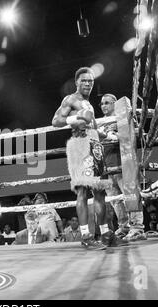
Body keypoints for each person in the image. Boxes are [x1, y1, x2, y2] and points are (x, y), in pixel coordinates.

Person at [51, 67, 118, 250]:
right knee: (82, 191)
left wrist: (109, 136)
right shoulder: (71, 99)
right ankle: (86, 236)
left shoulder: (88, 104)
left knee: (99, 192)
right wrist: (76, 118)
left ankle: (105, 233)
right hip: (80, 146)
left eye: (90, 81)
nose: (88, 84)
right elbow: (56, 121)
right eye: (84, 81)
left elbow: (92, 126)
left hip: (95, 145)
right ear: (77, 82)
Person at [97, 93, 145, 241]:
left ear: (114, 104)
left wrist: (114, 134)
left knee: (129, 196)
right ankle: (124, 227)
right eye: (102, 103)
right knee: (115, 200)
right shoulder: (99, 122)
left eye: (107, 102)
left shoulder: (123, 118)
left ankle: (137, 228)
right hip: (107, 166)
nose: (104, 105)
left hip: (124, 164)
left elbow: (136, 133)